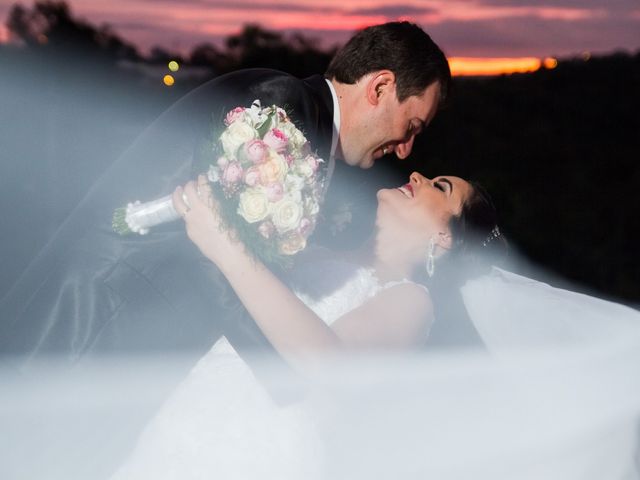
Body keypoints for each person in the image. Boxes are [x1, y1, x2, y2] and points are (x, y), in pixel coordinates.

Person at [0, 22, 451, 370]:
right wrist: (293, 372)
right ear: (380, 88)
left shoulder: (307, 132)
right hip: (95, 319)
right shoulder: (283, 104)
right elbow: (216, 254)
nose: (407, 149)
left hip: (142, 340)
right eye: (411, 127)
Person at [108, 170, 504, 479]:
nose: (418, 176)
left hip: (253, 452)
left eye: (441, 186)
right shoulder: (313, 250)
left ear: (444, 237)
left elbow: (327, 361)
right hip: (190, 415)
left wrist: (225, 245)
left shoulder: (413, 301)